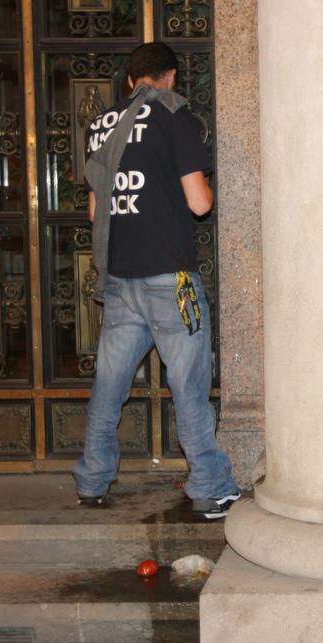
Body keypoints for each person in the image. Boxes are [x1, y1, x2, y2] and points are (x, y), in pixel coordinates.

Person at [73, 42, 240, 520]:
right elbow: (200, 203)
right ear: (169, 77)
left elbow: (94, 210)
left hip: (121, 277)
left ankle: (92, 479)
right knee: (188, 385)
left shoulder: (101, 126)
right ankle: (210, 486)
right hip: (171, 278)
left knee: (109, 384)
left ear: (130, 81)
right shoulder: (175, 116)